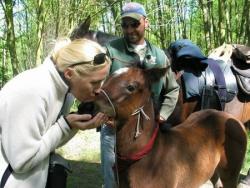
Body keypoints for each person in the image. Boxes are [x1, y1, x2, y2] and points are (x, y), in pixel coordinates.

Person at [0, 38, 111, 188]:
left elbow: (48, 144)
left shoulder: (65, 91)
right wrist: (64, 125)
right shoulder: (32, 90)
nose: (99, 89)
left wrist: (75, 126)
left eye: (102, 81)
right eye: (94, 82)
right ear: (69, 73)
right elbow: (22, 161)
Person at [100, 2, 180, 188]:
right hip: (114, 130)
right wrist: (103, 114)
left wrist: (163, 114)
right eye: (125, 25)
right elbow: (98, 88)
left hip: (147, 134)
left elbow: (173, 89)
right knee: (113, 181)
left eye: (134, 24)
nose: (129, 30)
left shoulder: (159, 57)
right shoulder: (111, 51)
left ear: (146, 22)